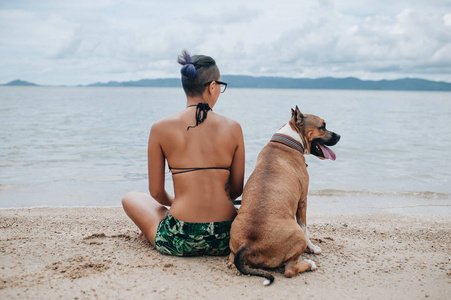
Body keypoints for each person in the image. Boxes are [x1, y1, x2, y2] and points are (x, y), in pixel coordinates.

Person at [122, 50, 245, 256]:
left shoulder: (160, 128)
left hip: (180, 237)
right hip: (227, 237)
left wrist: (176, 204)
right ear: (212, 87)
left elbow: (156, 194)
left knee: (130, 197)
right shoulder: (234, 128)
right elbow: (235, 189)